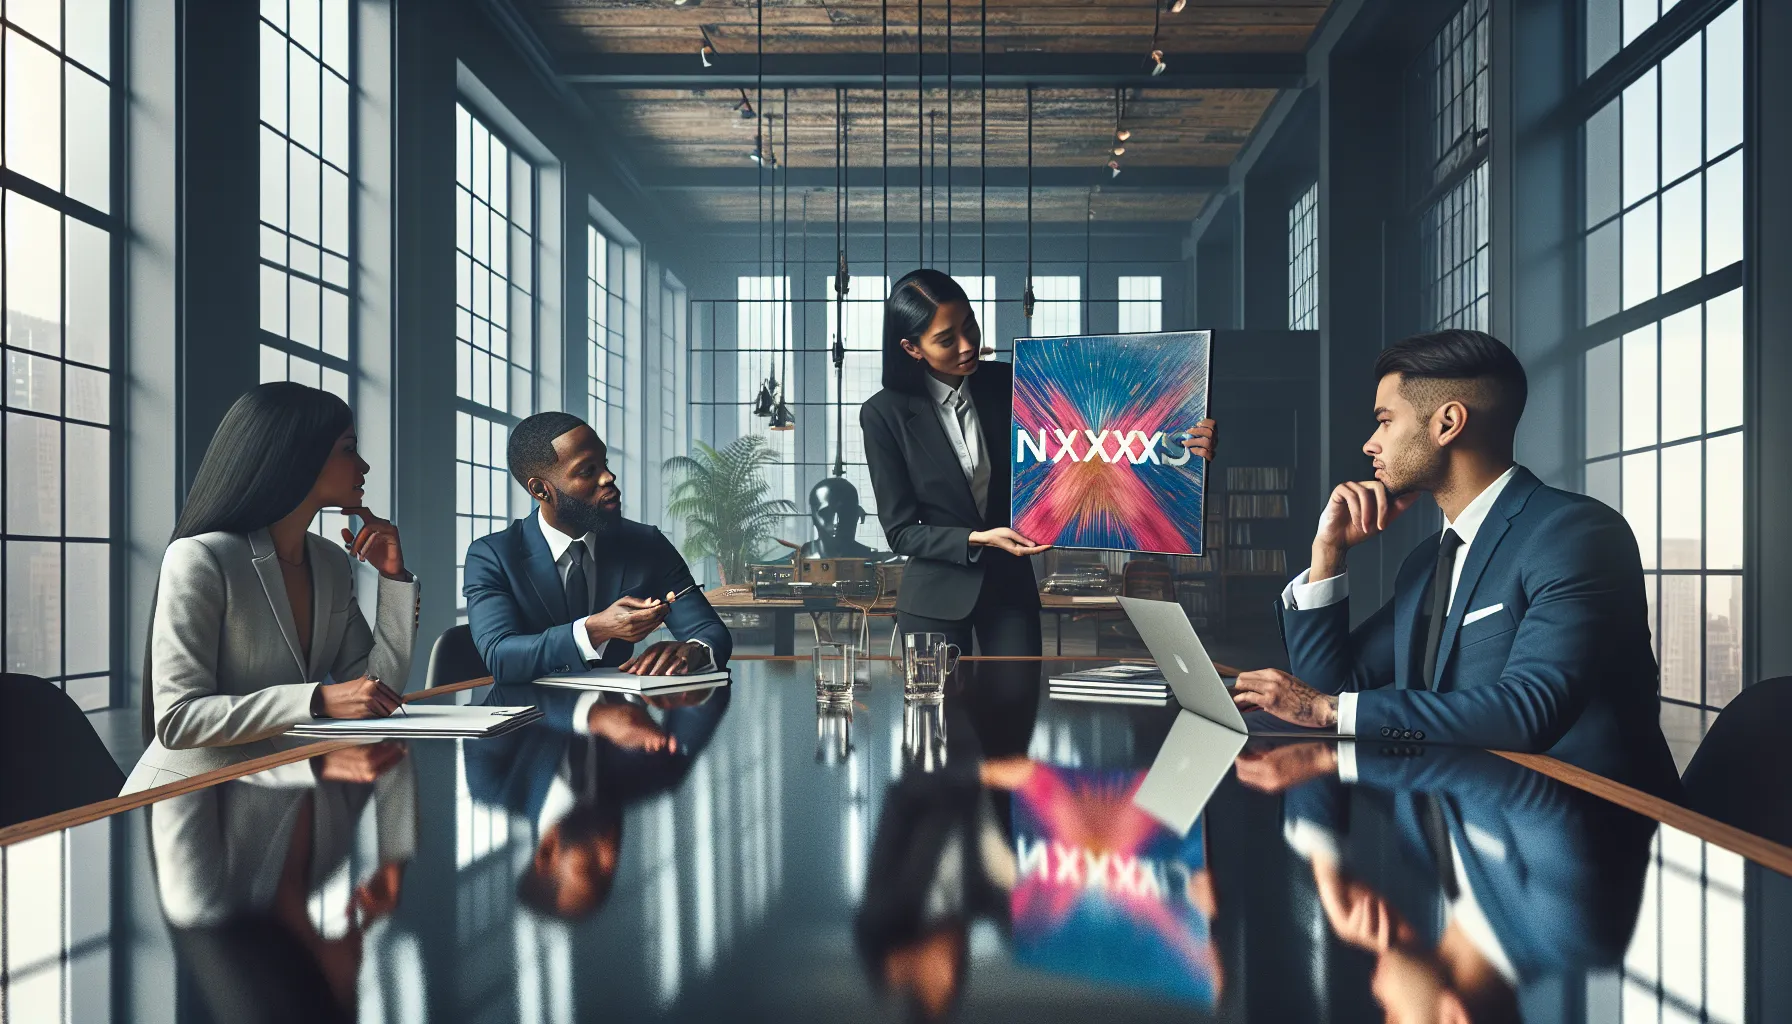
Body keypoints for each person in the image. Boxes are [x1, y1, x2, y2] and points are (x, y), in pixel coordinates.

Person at [1229, 330, 1679, 794]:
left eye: (1385, 421)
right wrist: (1329, 553)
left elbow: (1530, 710)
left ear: (1447, 423)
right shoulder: (1427, 561)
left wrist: (1330, 710)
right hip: (1450, 812)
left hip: (1584, 824)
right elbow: (1328, 684)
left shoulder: (1574, 533)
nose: (1370, 443)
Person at [860, 269, 1215, 656]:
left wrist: (1182, 439)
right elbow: (901, 532)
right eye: (946, 340)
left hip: (1011, 591)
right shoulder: (883, 414)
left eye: (969, 326)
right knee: (938, 713)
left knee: (1015, 713)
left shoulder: (1015, 385)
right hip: (932, 600)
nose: (967, 346)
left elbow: (1104, 436)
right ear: (912, 348)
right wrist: (978, 538)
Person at [124, 383, 419, 794]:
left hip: (282, 792)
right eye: (349, 449)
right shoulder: (199, 558)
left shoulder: (332, 563)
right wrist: (316, 701)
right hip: (189, 800)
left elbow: (376, 690)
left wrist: (393, 577)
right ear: (297, 456)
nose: (364, 466)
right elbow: (178, 719)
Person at [463, 411, 731, 685]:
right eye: (587, 471)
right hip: (530, 718)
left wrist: (696, 651)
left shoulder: (646, 544)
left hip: (622, 716)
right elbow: (500, 657)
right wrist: (596, 629)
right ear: (541, 490)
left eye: (604, 463)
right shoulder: (492, 556)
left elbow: (708, 629)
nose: (608, 477)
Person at [794, 476, 881, 559]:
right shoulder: (799, 558)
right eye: (827, 514)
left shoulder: (871, 558)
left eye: (845, 513)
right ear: (813, 517)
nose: (836, 521)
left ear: (858, 516)